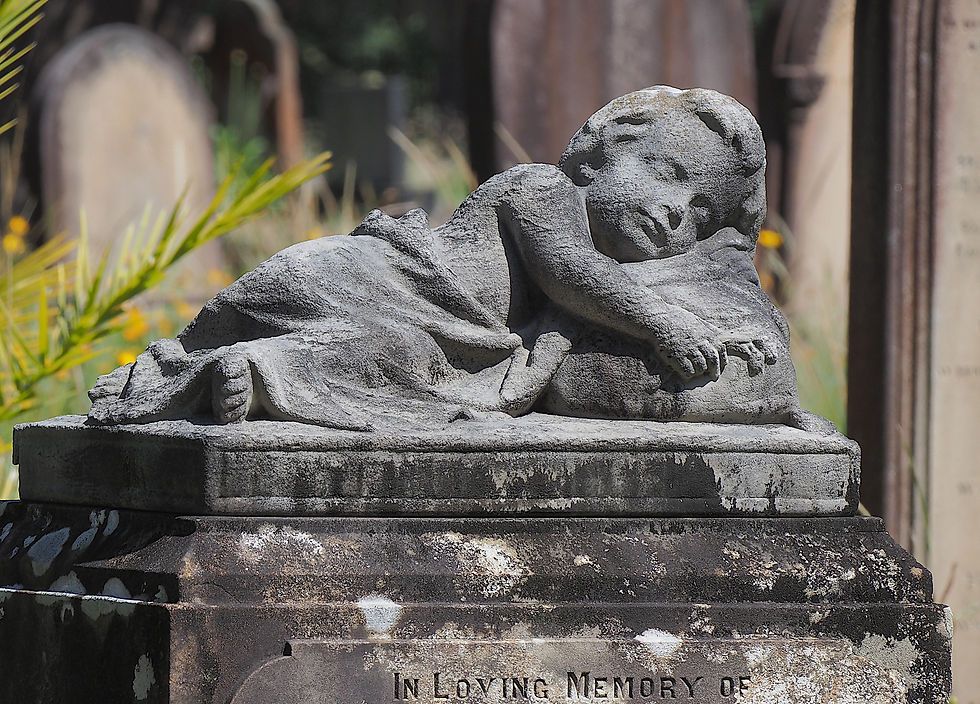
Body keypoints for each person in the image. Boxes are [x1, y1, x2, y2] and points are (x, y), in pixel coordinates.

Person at [89, 86, 827, 432]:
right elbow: (574, 279)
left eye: (698, 214)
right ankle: (208, 367)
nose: (676, 213)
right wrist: (665, 323)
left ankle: (254, 371)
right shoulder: (543, 189)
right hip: (364, 280)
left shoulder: (608, 250)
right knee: (385, 347)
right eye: (669, 176)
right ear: (603, 149)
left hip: (414, 323)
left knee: (392, 360)